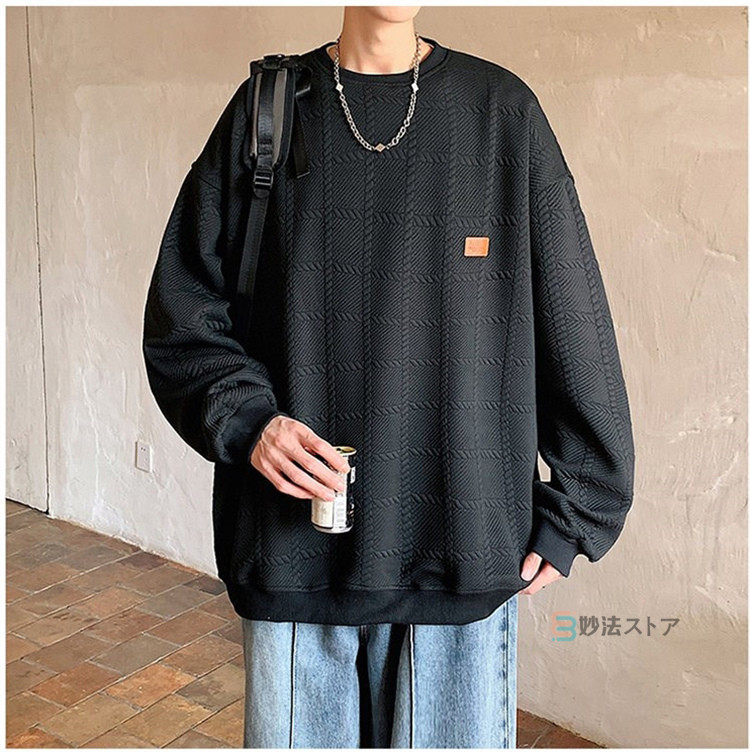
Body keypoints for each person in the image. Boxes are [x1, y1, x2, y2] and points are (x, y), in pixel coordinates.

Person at [142, 6, 635, 748]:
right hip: (296, 554)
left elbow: (572, 313)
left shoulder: (500, 114)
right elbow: (183, 310)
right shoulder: (268, 111)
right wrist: (248, 422)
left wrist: (579, 507)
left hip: (461, 546)